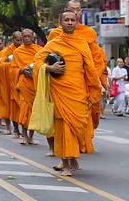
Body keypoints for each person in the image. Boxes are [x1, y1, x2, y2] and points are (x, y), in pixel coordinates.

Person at [34, 10, 101, 176]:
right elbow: (37, 62)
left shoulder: (82, 43)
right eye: (66, 20)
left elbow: (90, 70)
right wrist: (49, 68)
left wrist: (93, 92)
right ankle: (65, 164)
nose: (70, 23)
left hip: (78, 91)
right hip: (59, 90)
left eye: (73, 20)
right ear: (60, 22)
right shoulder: (53, 43)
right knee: (63, 128)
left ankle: (71, 158)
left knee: (78, 128)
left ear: (77, 22)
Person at [10, 29, 42, 144]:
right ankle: (24, 136)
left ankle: (31, 137)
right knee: (24, 110)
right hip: (24, 84)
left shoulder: (39, 50)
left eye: (29, 36)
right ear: (22, 38)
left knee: (33, 111)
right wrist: (22, 70)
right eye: (24, 36)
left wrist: (35, 71)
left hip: (35, 84)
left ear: (33, 37)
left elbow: (43, 65)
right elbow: (12, 70)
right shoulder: (18, 52)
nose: (27, 38)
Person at [0, 31, 23, 137]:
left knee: (23, 107)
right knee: (12, 107)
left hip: (21, 81)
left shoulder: (24, 50)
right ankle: (15, 130)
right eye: (17, 40)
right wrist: (11, 65)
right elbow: (1, 64)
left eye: (21, 40)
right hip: (10, 82)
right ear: (12, 40)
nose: (19, 42)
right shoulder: (8, 50)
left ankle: (24, 132)